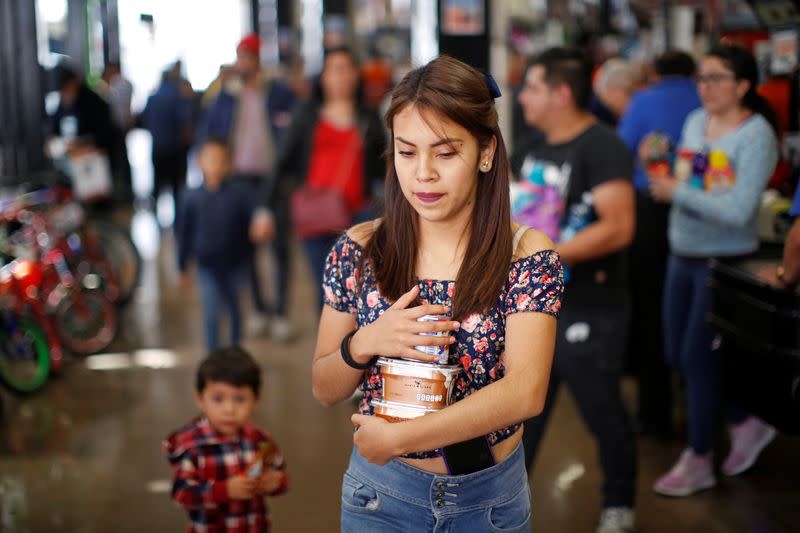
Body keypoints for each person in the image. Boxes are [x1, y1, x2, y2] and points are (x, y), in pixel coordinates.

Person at [311, 55, 564, 532]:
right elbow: (324, 387)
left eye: (445, 153)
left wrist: (402, 439)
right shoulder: (359, 250)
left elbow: (526, 392)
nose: (423, 173)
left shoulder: (525, 255)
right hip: (380, 498)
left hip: (488, 501)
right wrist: (366, 342)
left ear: (485, 152)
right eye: (407, 152)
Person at [513, 47, 637, 533]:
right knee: (520, 418)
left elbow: (619, 227)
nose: (523, 97)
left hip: (590, 306)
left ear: (562, 94)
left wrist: (547, 253)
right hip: (528, 309)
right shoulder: (529, 147)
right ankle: (504, 508)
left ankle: (619, 506)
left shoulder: (601, 146)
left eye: (533, 87)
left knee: (602, 411)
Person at [648, 44, 780, 497]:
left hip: (721, 262)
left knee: (696, 359)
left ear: (743, 86)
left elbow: (740, 210)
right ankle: (745, 423)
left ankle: (700, 458)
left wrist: (675, 192)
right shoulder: (693, 122)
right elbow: (696, 181)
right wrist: (661, 165)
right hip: (679, 254)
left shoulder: (756, 134)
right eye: (701, 78)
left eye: (716, 78)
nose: (705, 87)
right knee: (675, 355)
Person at [617, 50, 702, 440]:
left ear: (654, 73)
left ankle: (655, 419)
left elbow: (622, 151)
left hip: (649, 210)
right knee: (698, 314)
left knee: (651, 311)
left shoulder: (644, 100)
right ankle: (699, 403)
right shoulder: (704, 103)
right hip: (698, 210)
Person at [267, 46, 385, 311]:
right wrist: (265, 208)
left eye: (346, 69)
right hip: (315, 213)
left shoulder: (368, 116)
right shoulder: (306, 114)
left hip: (359, 215)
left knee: (360, 290)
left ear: (356, 76)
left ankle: (356, 347)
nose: (341, 76)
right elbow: (283, 161)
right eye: (334, 69)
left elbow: (384, 167)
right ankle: (328, 350)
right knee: (326, 291)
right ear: (323, 77)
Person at [199, 33, 296, 342]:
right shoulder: (226, 96)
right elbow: (210, 133)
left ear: (258, 59)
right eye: (241, 56)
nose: (245, 62)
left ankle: (280, 312)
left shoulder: (278, 93)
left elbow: (294, 132)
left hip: (273, 180)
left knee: (280, 247)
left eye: (249, 56)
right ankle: (258, 308)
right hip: (239, 182)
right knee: (247, 250)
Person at [163, 347, 288, 532]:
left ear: (256, 399)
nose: (229, 409)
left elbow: (280, 473)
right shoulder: (192, 445)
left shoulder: (262, 441)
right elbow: (181, 493)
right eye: (218, 399)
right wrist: (224, 490)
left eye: (239, 399)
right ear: (200, 399)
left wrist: (275, 483)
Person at [176, 139, 272, 350]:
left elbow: (258, 210)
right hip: (207, 266)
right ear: (199, 161)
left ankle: (235, 352)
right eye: (210, 159)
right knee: (211, 314)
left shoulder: (241, 193)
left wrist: (262, 221)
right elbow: (183, 234)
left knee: (236, 310)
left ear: (229, 164)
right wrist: (182, 266)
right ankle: (213, 357)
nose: (215, 164)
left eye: (221, 160)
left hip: (237, 263)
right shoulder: (190, 197)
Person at [140, 70, 194, 221]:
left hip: (157, 148)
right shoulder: (177, 97)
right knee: (178, 187)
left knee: (158, 183)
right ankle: (179, 220)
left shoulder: (152, 97)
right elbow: (185, 122)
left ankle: (155, 217)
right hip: (176, 150)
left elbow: (144, 120)